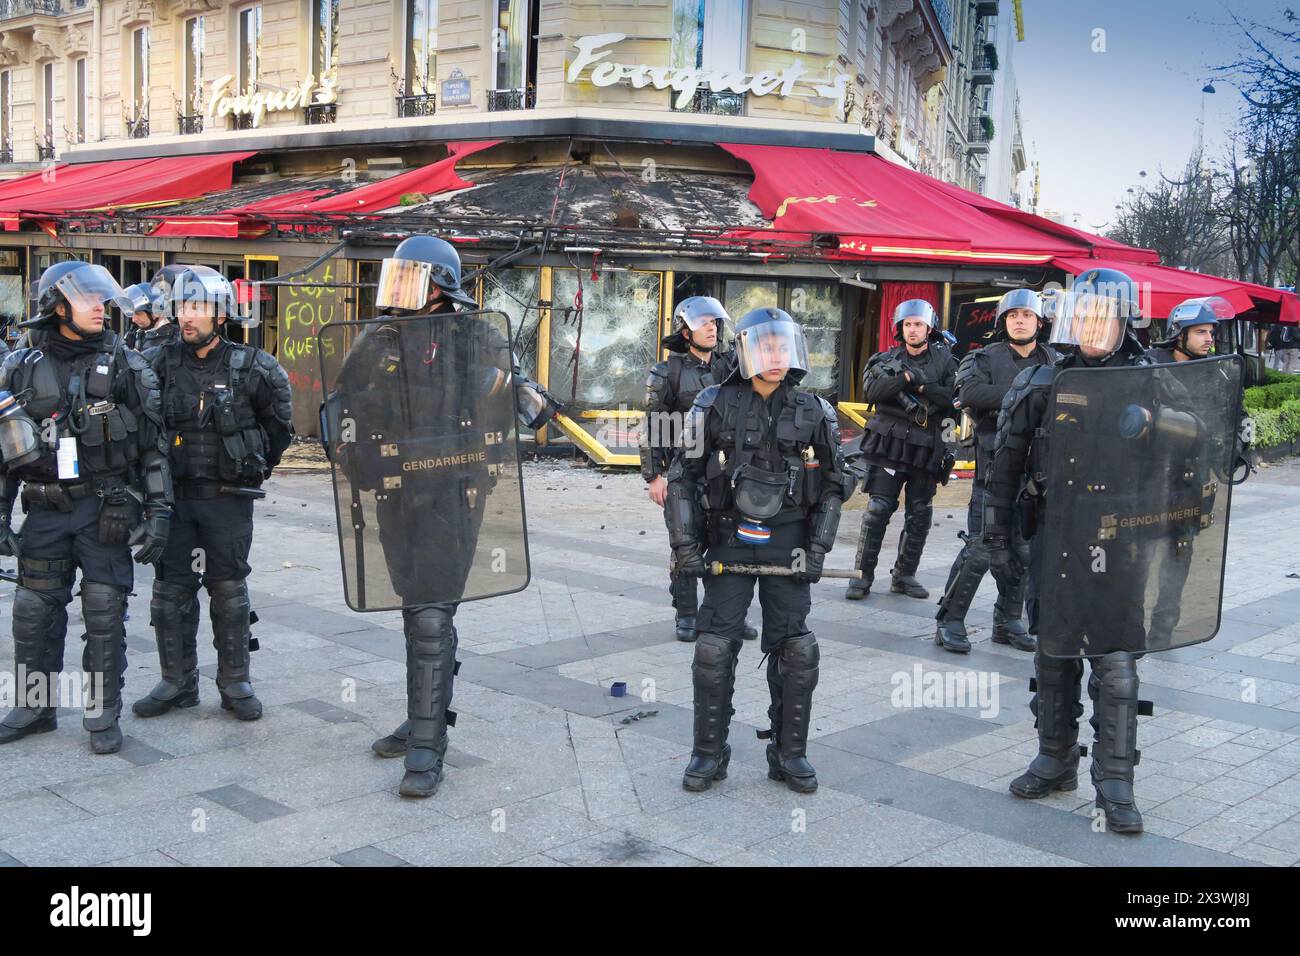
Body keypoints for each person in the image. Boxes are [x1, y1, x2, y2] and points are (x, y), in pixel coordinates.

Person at [322, 234, 555, 798]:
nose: (400, 290)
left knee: (431, 614)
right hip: (396, 492)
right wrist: (356, 463)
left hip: (453, 494)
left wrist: (510, 388)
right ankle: (422, 714)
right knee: (414, 609)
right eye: (396, 277)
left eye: (413, 278)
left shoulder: (474, 336)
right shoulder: (377, 339)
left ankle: (428, 746)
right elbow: (337, 410)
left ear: (441, 285)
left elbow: (531, 407)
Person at [986, 268, 1168, 834]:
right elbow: (1004, 463)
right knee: (1054, 651)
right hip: (1057, 534)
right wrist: (994, 534)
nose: (1091, 326)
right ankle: (1055, 758)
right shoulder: (1043, 379)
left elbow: (1194, 451)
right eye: (1083, 315)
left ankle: (1116, 780)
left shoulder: (1150, 380)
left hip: (1122, 537)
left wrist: (1161, 425)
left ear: (1123, 320)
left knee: (1114, 663)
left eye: (1102, 316)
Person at [667, 307, 849, 794]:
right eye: (766, 346)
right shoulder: (712, 402)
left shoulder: (815, 409)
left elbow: (836, 484)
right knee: (712, 646)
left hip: (788, 542)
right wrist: (686, 549)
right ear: (747, 350)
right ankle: (709, 752)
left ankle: (789, 753)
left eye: (783, 345)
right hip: (728, 537)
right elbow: (682, 478)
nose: (776, 355)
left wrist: (818, 549)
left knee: (797, 648)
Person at [0, 261, 172, 753]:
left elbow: (153, 448)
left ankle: (102, 715)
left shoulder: (127, 365)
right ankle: (33, 709)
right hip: (45, 511)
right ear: (56, 308)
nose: (101, 306)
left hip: (106, 511)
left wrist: (157, 512)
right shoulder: (19, 365)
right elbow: (2, 453)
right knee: (33, 612)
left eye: (102, 298)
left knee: (103, 613)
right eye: (86, 298)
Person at [130, 266, 293, 722]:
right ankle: (176, 681)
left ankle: (235, 681)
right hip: (174, 502)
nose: (188, 316)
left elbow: (278, 430)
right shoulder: (155, 364)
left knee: (228, 590)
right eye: (183, 306)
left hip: (228, 499)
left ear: (222, 315)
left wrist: (252, 469)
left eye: (199, 308)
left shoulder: (256, 367)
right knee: (170, 591)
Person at [935, 289, 1058, 654]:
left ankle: (1008, 621)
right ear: (1003, 321)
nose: (1020, 320)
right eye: (1012, 315)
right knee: (982, 548)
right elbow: (970, 394)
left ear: (1039, 321)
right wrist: (1029, 392)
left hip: (1036, 470)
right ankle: (950, 621)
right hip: (995, 467)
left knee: (1022, 549)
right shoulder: (983, 358)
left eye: (1027, 315)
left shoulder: (1055, 359)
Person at [641, 295, 755, 643]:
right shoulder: (666, 373)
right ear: (686, 331)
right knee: (685, 542)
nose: (711, 328)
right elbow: (653, 426)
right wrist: (655, 476)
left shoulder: (732, 366)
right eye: (704, 322)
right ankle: (687, 614)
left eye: (715, 322)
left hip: (723, 471)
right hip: (681, 469)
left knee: (728, 543)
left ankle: (724, 613)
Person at [845, 299, 957, 601]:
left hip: (927, 446)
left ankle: (904, 576)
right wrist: (905, 378)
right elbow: (874, 391)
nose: (912, 329)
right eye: (907, 324)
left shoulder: (946, 362)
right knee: (877, 510)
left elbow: (952, 399)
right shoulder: (885, 358)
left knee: (920, 513)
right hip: (889, 444)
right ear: (899, 328)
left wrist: (919, 387)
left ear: (929, 327)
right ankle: (861, 576)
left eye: (917, 324)